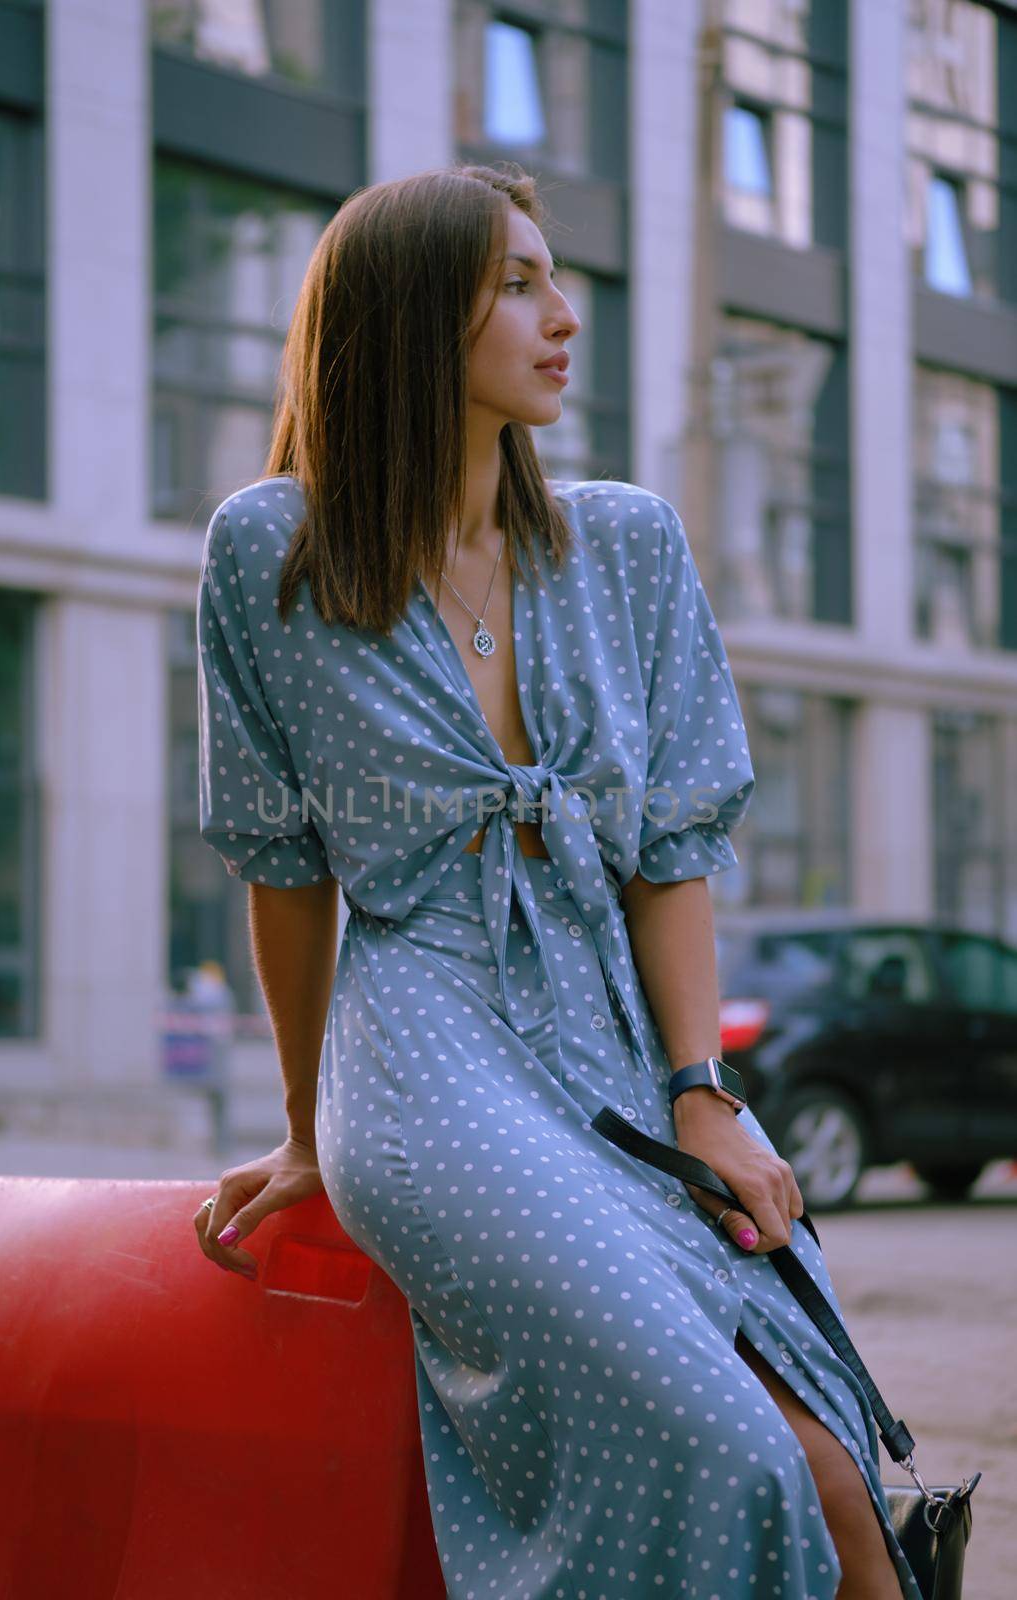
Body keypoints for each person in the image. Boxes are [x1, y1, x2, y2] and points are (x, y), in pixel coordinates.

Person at [192, 163, 920, 1599]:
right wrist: (302, 1132)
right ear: (409, 322)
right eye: (516, 285)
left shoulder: (628, 543)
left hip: (624, 1051)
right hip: (429, 1049)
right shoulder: (268, 551)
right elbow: (286, 870)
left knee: (833, 1471)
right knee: (723, 1449)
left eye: (553, 277)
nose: (563, 316)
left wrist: (703, 1092)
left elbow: (673, 850)